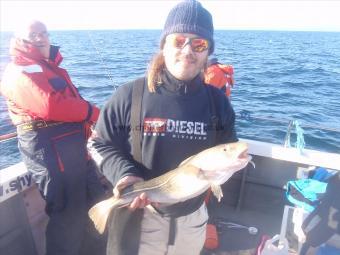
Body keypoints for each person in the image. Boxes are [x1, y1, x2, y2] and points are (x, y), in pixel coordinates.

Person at [91, 1, 238, 254]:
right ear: (164, 45)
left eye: (199, 44)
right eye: (179, 40)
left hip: (192, 222)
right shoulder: (130, 94)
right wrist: (124, 174)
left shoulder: (218, 103)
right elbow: (97, 143)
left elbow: (228, 152)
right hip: (138, 220)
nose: (188, 50)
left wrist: (225, 170)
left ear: (207, 52)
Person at [0, 20, 106, 255]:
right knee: (67, 216)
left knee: (97, 204)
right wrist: (93, 113)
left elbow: (68, 108)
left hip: (74, 148)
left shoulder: (49, 67)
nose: (40, 38)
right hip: (48, 149)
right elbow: (49, 106)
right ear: (20, 40)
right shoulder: (18, 70)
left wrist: (88, 125)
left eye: (43, 33)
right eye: (33, 34)